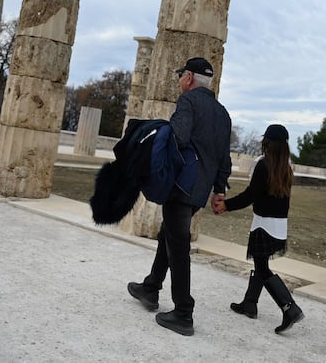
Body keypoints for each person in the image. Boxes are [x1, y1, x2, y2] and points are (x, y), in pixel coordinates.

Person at [127, 57, 232, 336]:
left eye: (179, 77)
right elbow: (224, 158)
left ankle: (183, 312)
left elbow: (179, 137)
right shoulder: (223, 113)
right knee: (170, 234)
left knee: (178, 245)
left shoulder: (188, 102)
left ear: (188, 78)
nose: (178, 81)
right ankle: (151, 287)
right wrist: (219, 190)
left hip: (182, 187)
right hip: (200, 191)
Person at [213, 124, 304, 334]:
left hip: (263, 225)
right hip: (279, 226)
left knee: (263, 268)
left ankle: (289, 308)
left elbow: (250, 195)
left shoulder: (264, 165)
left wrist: (226, 205)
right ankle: (249, 303)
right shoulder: (286, 168)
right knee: (260, 263)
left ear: (267, 143)